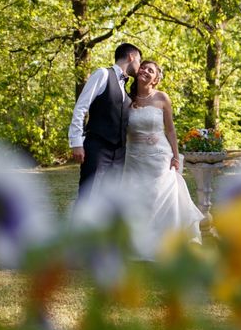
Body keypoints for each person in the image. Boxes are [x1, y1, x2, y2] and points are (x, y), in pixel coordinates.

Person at [121, 60, 204, 256]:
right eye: (143, 68)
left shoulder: (162, 98)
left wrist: (176, 155)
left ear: (156, 79)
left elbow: (170, 129)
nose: (145, 71)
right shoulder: (126, 98)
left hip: (159, 157)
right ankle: (136, 243)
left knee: (159, 197)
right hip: (133, 158)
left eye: (151, 70)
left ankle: (166, 244)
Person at [68, 43, 142, 201]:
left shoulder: (126, 90)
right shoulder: (103, 74)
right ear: (131, 57)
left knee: (109, 201)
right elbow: (81, 107)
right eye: (139, 61)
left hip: (119, 153)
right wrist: (76, 142)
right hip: (97, 147)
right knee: (88, 197)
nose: (140, 67)